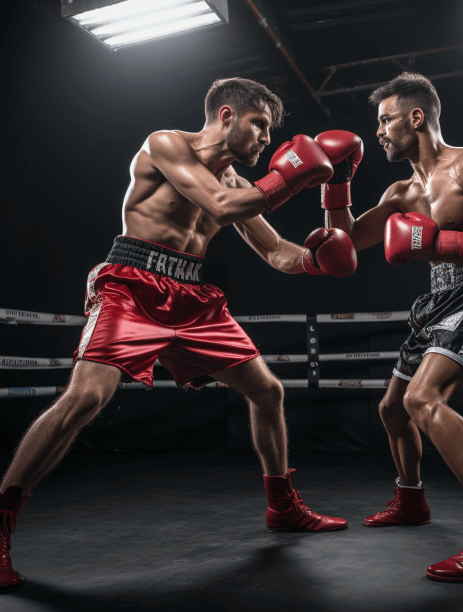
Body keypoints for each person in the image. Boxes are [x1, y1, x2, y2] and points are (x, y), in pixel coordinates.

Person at [0, 77, 358, 593]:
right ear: (228, 115)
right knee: (84, 400)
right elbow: (217, 206)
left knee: (268, 391)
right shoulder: (166, 143)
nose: (264, 139)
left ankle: (282, 507)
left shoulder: (240, 185)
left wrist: (320, 258)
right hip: (132, 285)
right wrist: (291, 177)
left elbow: (278, 252)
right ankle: (2, 521)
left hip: (190, 295)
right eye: (259, 125)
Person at [315, 72, 463, 582]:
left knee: (422, 400)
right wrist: (336, 181)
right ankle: (411, 501)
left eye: (385, 119)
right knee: (393, 407)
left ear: (416, 117)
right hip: (437, 297)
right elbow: (341, 244)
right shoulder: (400, 192)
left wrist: (439, 246)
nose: (379, 132)